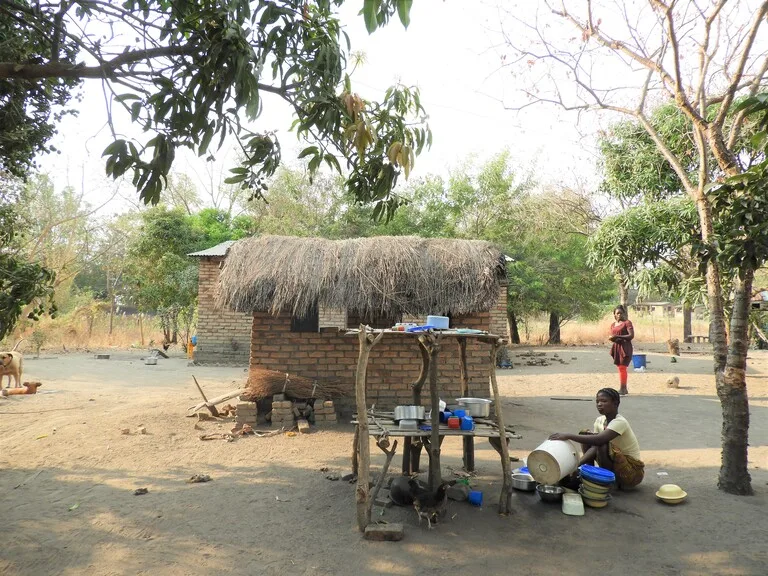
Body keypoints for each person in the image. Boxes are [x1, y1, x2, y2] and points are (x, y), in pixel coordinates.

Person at [550, 388, 644, 489]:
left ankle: (608, 483)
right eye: (597, 401)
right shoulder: (600, 420)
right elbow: (594, 444)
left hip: (631, 472)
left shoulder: (620, 422)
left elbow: (599, 441)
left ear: (615, 403)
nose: (599, 404)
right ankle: (588, 474)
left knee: (601, 444)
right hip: (615, 463)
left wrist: (568, 436)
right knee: (586, 435)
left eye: (604, 401)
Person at [609, 305, 634, 395]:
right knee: (620, 368)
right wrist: (613, 338)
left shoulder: (627, 323)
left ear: (624, 314)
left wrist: (618, 336)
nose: (619, 315)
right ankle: (623, 388)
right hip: (617, 347)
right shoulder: (613, 325)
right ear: (614, 315)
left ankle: (623, 388)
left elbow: (631, 336)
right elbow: (612, 335)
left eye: (621, 313)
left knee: (622, 367)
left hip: (625, 347)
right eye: (617, 313)